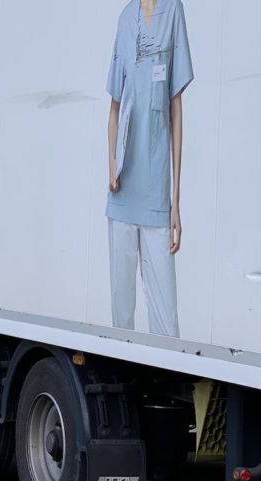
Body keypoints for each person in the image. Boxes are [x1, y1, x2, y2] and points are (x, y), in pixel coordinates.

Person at [106, 0, 193, 338]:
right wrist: (111, 163)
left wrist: (175, 203)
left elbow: (176, 107)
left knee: (166, 324)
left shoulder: (173, 11)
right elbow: (114, 108)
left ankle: (163, 386)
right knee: (121, 317)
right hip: (122, 192)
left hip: (157, 192)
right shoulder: (126, 18)